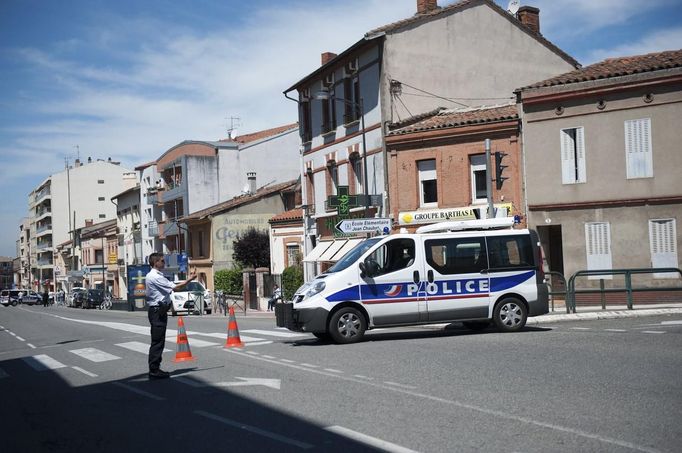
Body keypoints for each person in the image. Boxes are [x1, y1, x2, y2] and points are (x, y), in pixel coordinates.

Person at [145, 253, 196, 380]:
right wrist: (190, 279)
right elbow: (176, 287)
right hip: (157, 312)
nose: (164, 263)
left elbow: (174, 288)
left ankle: (155, 369)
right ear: (155, 262)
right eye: (162, 261)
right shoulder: (155, 277)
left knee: (159, 340)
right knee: (157, 341)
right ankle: (154, 370)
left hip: (158, 311)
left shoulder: (156, 275)